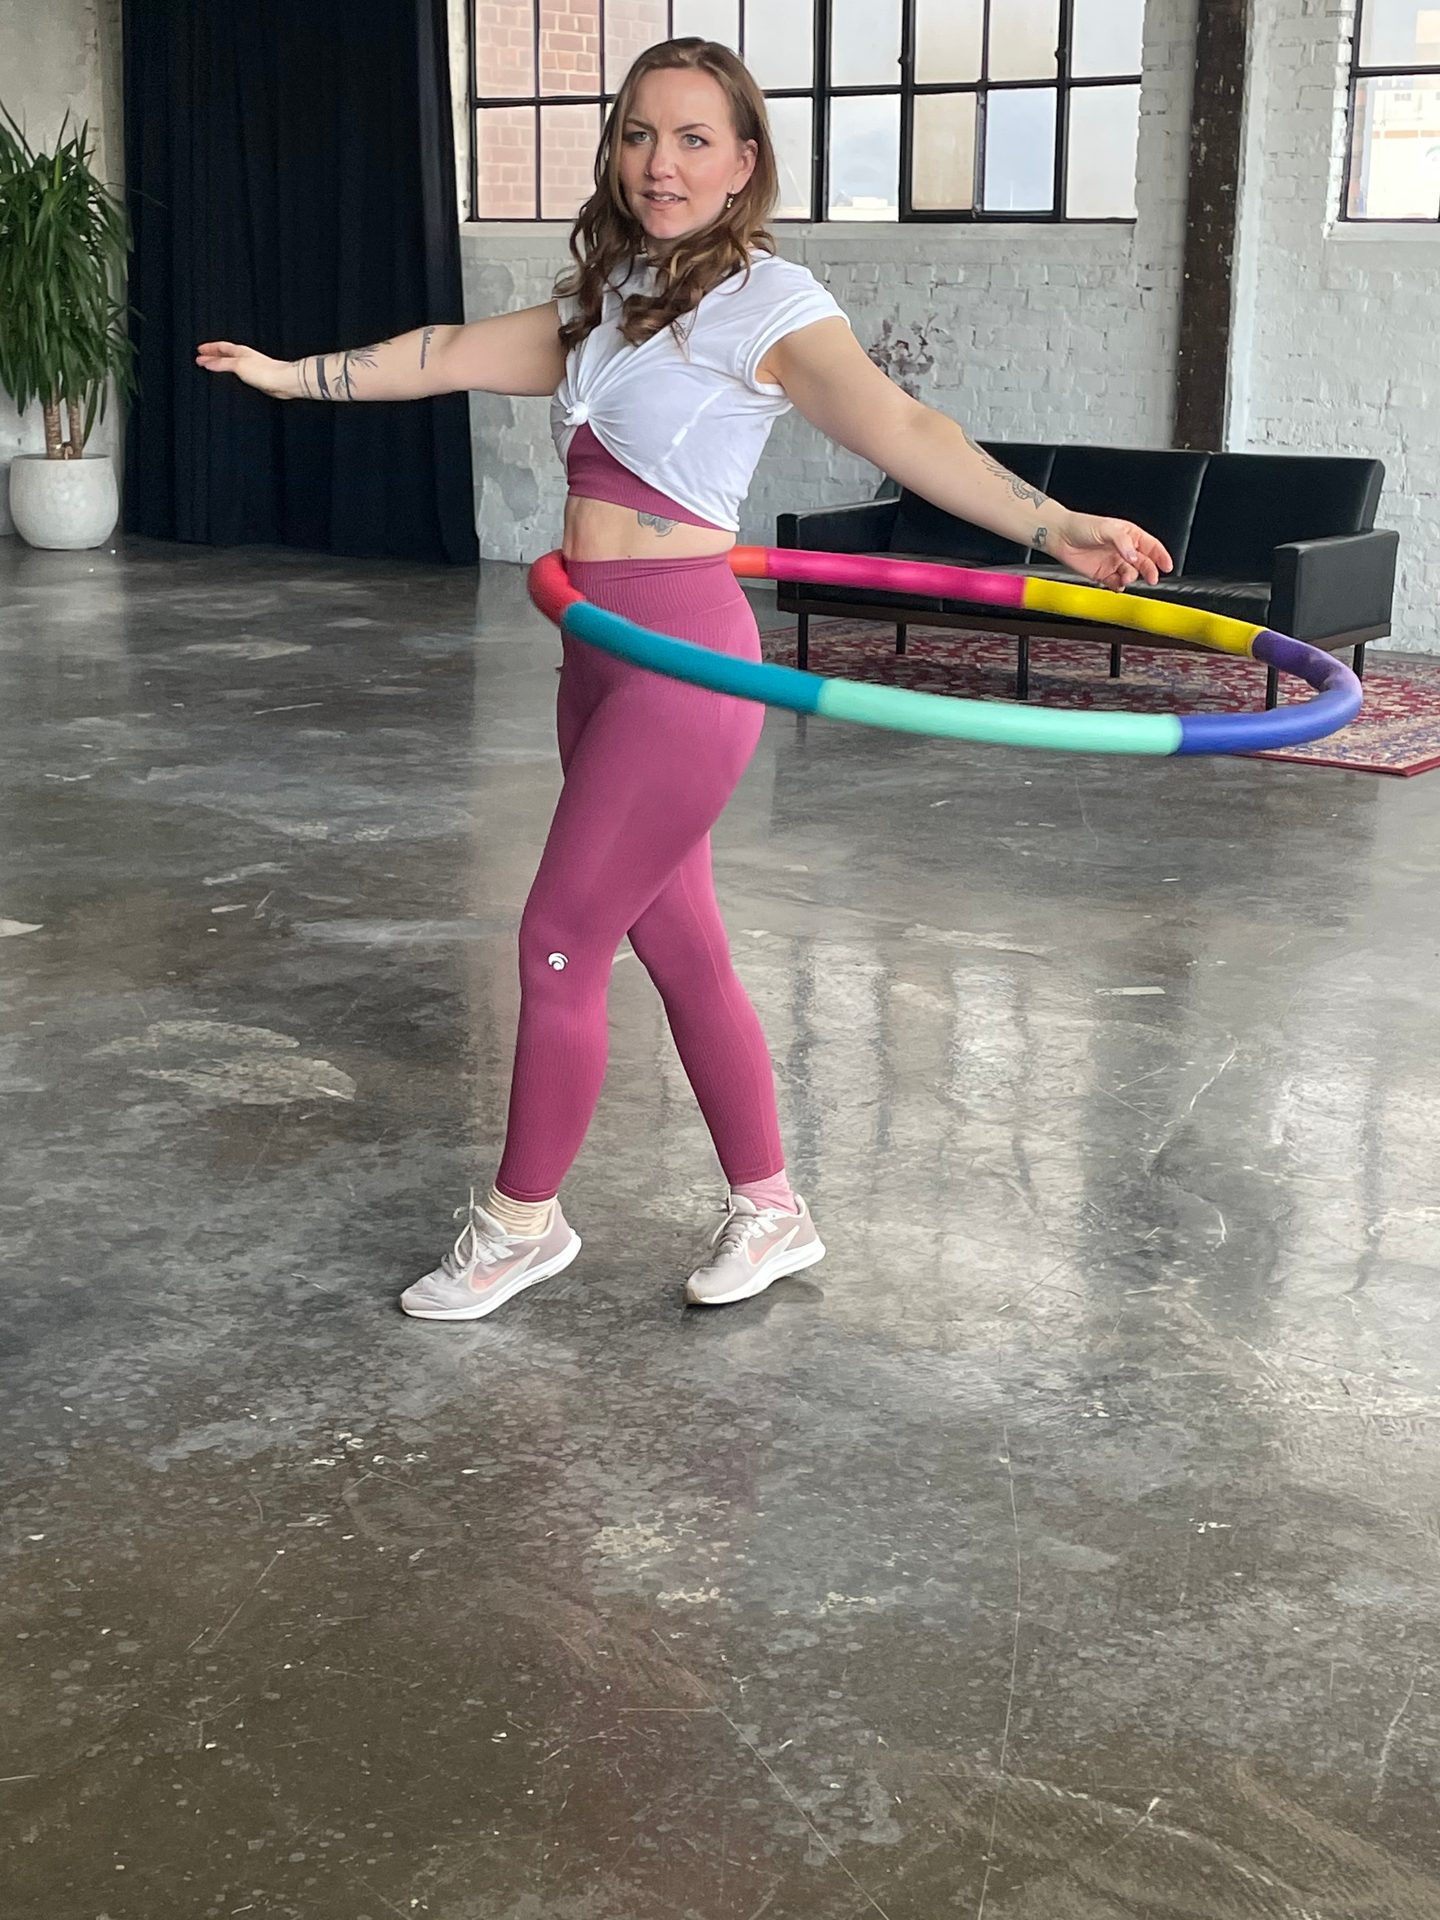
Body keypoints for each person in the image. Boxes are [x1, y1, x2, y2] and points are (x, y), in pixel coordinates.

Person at [198, 36, 1172, 1321]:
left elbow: (906, 429)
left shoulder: (772, 305)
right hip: (595, 657)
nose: (661, 163)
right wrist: (288, 375)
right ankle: (773, 1209)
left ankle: (522, 1223)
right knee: (682, 943)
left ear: (744, 162)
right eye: (640, 134)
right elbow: (440, 352)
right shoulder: (612, 296)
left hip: (684, 663)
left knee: (558, 937)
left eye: (694, 139)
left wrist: (1059, 528)